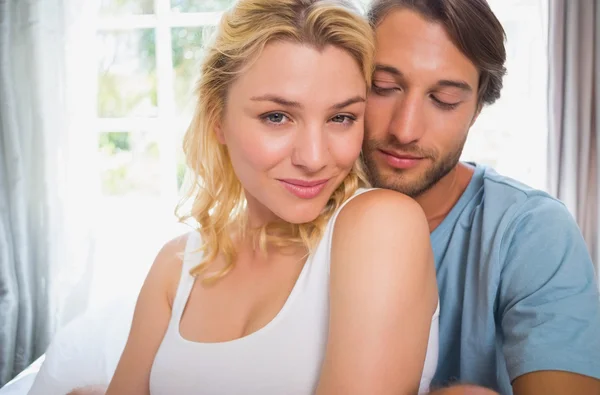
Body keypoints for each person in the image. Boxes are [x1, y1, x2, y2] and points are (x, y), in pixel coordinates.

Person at [70, 0, 440, 394]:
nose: (314, 158)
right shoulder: (176, 267)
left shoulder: (381, 226)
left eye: (340, 118)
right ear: (218, 120)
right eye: (277, 117)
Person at [362, 0, 600, 394]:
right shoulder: (301, 213)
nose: (405, 130)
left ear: (476, 109)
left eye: (444, 101)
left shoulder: (532, 231)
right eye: (383, 88)